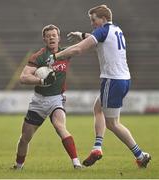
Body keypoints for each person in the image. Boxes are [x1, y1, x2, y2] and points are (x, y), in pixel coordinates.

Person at [47, 5, 151, 168]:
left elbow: (79, 49)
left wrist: (56, 56)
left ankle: (140, 155)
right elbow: (96, 38)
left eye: (93, 20)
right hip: (123, 79)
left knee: (113, 124)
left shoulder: (102, 31)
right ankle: (97, 147)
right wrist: (81, 35)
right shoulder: (116, 29)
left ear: (102, 19)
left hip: (112, 80)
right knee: (98, 108)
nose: (92, 23)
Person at [12, 24, 82, 169]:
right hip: (39, 101)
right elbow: (23, 78)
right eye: (48, 36)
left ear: (59, 38)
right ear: (44, 39)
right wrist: (41, 80)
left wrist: (81, 35)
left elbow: (81, 48)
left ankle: (76, 163)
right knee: (25, 138)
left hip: (57, 99)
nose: (51, 38)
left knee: (59, 126)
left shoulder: (65, 53)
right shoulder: (38, 57)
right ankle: (18, 166)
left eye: (54, 35)